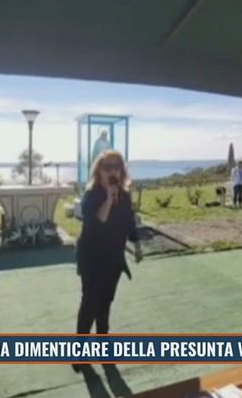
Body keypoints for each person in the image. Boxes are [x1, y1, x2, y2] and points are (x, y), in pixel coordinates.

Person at [74, 150, 142, 371]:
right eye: (107, 167)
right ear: (99, 171)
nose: (112, 171)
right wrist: (109, 200)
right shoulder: (91, 195)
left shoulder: (125, 195)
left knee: (105, 303)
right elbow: (97, 221)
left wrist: (136, 245)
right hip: (92, 257)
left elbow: (129, 222)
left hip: (114, 257)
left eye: (116, 167)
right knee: (90, 303)